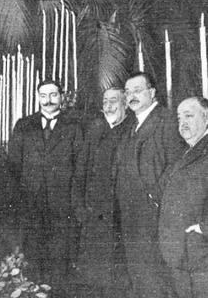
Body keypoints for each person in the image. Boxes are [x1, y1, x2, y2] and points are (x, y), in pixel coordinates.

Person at [7, 79, 84, 293]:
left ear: (61, 97)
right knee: (32, 262)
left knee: (60, 265)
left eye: (53, 95)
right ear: (37, 97)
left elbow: (80, 168)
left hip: (63, 208)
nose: (48, 101)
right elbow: (13, 166)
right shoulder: (24, 125)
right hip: (31, 207)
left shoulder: (75, 126)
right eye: (43, 95)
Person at [116, 72, 185, 298]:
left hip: (155, 215)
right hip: (131, 215)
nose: (131, 96)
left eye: (137, 90)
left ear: (152, 93)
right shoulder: (130, 125)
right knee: (139, 275)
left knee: (156, 277)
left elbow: (177, 164)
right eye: (127, 92)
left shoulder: (167, 120)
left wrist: (154, 198)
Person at [74, 87, 132, 297]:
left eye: (113, 101)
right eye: (105, 101)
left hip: (118, 221)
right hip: (93, 221)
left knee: (117, 281)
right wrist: (81, 210)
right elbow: (79, 174)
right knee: (93, 281)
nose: (108, 106)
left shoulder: (132, 130)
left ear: (125, 103)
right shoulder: (94, 130)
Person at [159, 97, 208, 298]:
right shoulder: (184, 152)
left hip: (201, 256)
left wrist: (203, 229)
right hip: (179, 255)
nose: (183, 123)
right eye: (179, 118)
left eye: (189, 116)